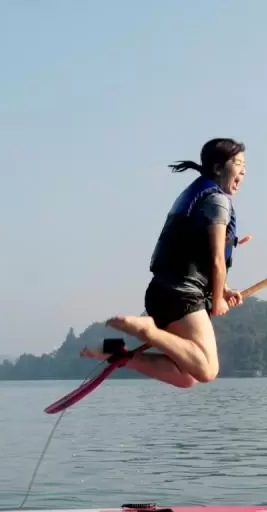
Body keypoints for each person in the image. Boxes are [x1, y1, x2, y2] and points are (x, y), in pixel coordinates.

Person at [81, 138, 251, 388]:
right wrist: (216, 301)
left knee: (185, 377)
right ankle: (148, 330)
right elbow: (216, 259)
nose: (243, 170)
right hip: (180, 295)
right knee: (207, 369)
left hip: (162, 293)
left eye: (245, 165)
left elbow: (196, 254)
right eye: (237, 163)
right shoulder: (217, 201)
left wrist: (223, 289)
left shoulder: (199, 196)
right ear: (217, 168)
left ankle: (118, 353)